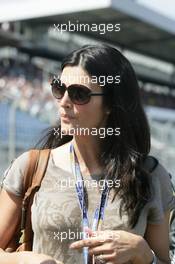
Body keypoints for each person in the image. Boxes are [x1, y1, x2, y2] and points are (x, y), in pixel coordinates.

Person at [0, 44, 174, 264]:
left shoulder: (151, 176)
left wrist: (143, 253)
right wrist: (24, 261)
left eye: (78, 94)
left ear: (111, 104)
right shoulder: (31, 167)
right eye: (59, 89)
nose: (63, 102)